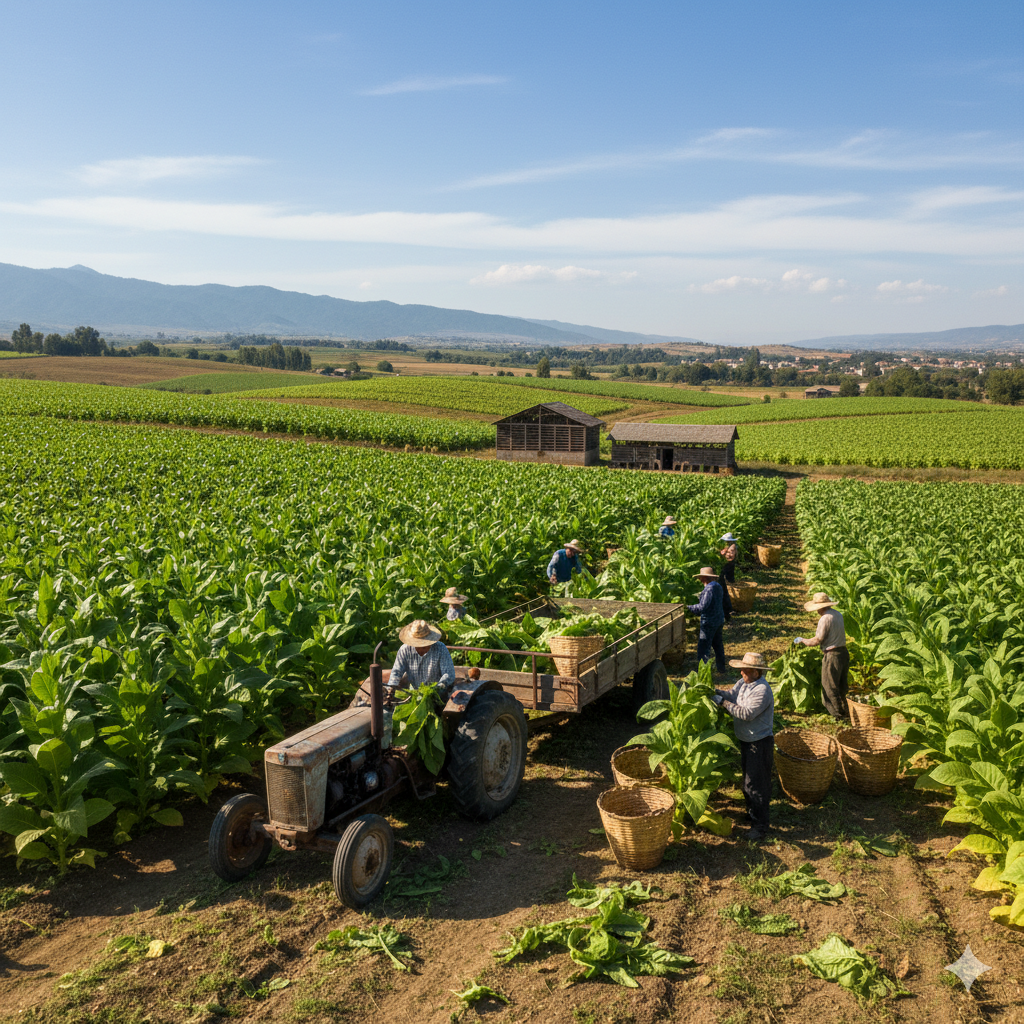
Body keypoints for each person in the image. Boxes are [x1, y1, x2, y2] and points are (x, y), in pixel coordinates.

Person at [712, 652, 774, 842]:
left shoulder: (762, 690)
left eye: (745, 670)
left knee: (756, 785)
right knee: (748, 783)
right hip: (746, 740)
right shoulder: (744, 683)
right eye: (741, 669)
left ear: (756, 672)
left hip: (759, 743)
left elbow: (746, 714)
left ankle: (760, 827)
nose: (741, 672)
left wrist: (722, 703)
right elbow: (732, 694)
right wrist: (714, 692)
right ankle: (752, 813)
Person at [794, 593, 849, 720]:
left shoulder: (825, 618)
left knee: (829, 687)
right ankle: (847, 710)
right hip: (843, 653)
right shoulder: (837, 614)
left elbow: (817, 640)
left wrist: (802, 640)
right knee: (841, 685)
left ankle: (839, 715)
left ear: (820, 607)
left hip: (832, 655)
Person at [687, 566, 726, 674]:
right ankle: (721, 668)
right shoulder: (717, 586)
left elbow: (702, 607)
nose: (699, 579)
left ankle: (702, 672)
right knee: (718, 645)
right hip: (719, 619)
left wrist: (688, 608)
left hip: (709, 622)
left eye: (700, 577)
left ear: (703, 578)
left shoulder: (709, 589)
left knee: (703, 648)